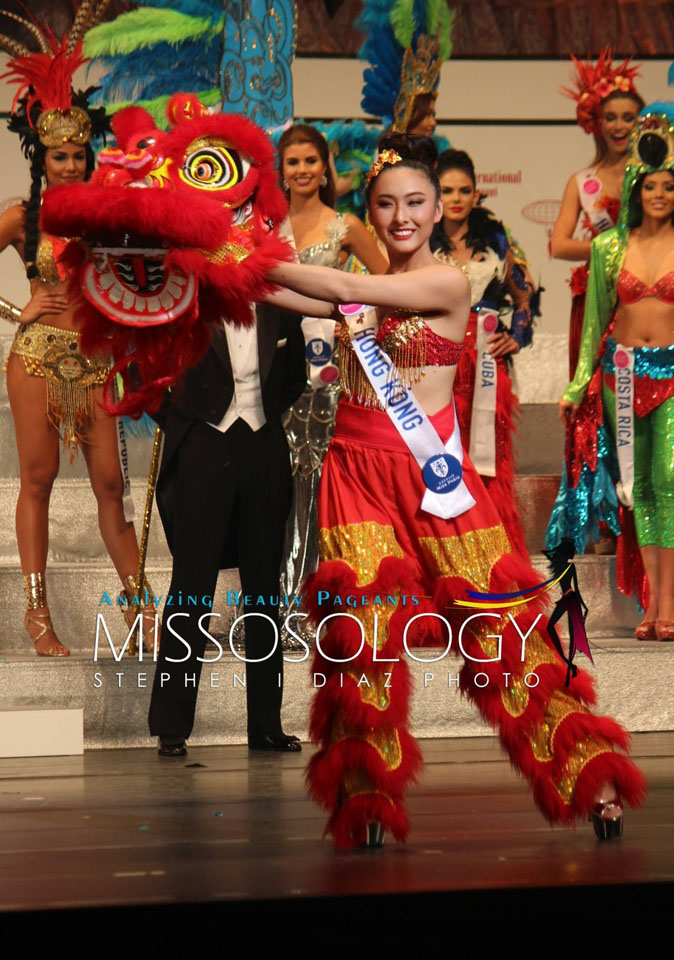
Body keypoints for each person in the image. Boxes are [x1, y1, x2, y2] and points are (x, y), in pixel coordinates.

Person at [264, 134, 646, 848]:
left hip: (433, 479)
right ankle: (365, 798)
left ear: (440, 208)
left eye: (415, 202)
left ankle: (589, 774)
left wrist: (253, 262)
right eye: (386, 205)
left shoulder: (446, 281)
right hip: (354, 473)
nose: (401, 215)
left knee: (504, 636)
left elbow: (346, 289)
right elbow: (295, 292)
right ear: (370, 213)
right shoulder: (366, 283)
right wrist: (207, 264)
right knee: (360, 636)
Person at [0, 33, 156, 657]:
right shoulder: (20, 218)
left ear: (90, 157)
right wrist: (19, 308)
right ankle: (37, 617)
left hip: (97, 363)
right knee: (36, 482)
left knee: (111, 488)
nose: (68, 164)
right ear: (40, 155)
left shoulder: (110, 214)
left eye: (77, 155)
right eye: (58, 156)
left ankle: (141, 612)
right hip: (36, 357)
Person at [147, 303, 307, 755]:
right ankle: (172, 726)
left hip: (264, 444)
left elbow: (295, 374)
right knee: (191, 585)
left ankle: (266, 725)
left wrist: (266, 416)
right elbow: (142, 368)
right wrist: (186, 419)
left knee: (263, 589)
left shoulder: (279, 303)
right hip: (203, 440)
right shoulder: (184, 295)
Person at [553, 104, 674, 643]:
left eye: (670, 187)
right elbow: (594, 325)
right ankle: (653, 609)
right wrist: (578, 385)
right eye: (652, 186)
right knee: (639, 488)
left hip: (671, 374)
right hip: (621, 376)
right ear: (635, 190)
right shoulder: (608, 247)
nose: (661, 195)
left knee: (670, 479)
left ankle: (668, 605)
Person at [278, 123, 387, 616]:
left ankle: (312, 603)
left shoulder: (346, 226)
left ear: (326, 168)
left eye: (310, 161)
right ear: (280, 170)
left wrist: (351, 323)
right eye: (293, 161)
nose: (302, 170)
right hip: (270, 365)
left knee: (317, 477)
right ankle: (273, 597)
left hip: (325, 373)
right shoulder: (263, 225)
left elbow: (387, 286)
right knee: (275, 480)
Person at [547, 49, 644, 557]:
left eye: (630, 117)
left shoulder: (655, 179)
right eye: (612, 117)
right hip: (595, 301)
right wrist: (611, 249)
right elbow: (559, 244)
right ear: (595, 122)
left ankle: (645, 514)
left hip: (645, 300)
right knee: (597, 405)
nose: (620, 125)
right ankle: (602, 518)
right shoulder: (582, 182)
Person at [431, 148, 539, 556]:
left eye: (465, 190)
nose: (457, 199)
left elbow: (525, 298)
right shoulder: (420, 237)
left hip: (487, 368)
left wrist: (518, 335)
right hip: (438, 363)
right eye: (447, 190)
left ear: (478, 194)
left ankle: (497, 564)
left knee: (490, 464)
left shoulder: (497, 239)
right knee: (441, 459)